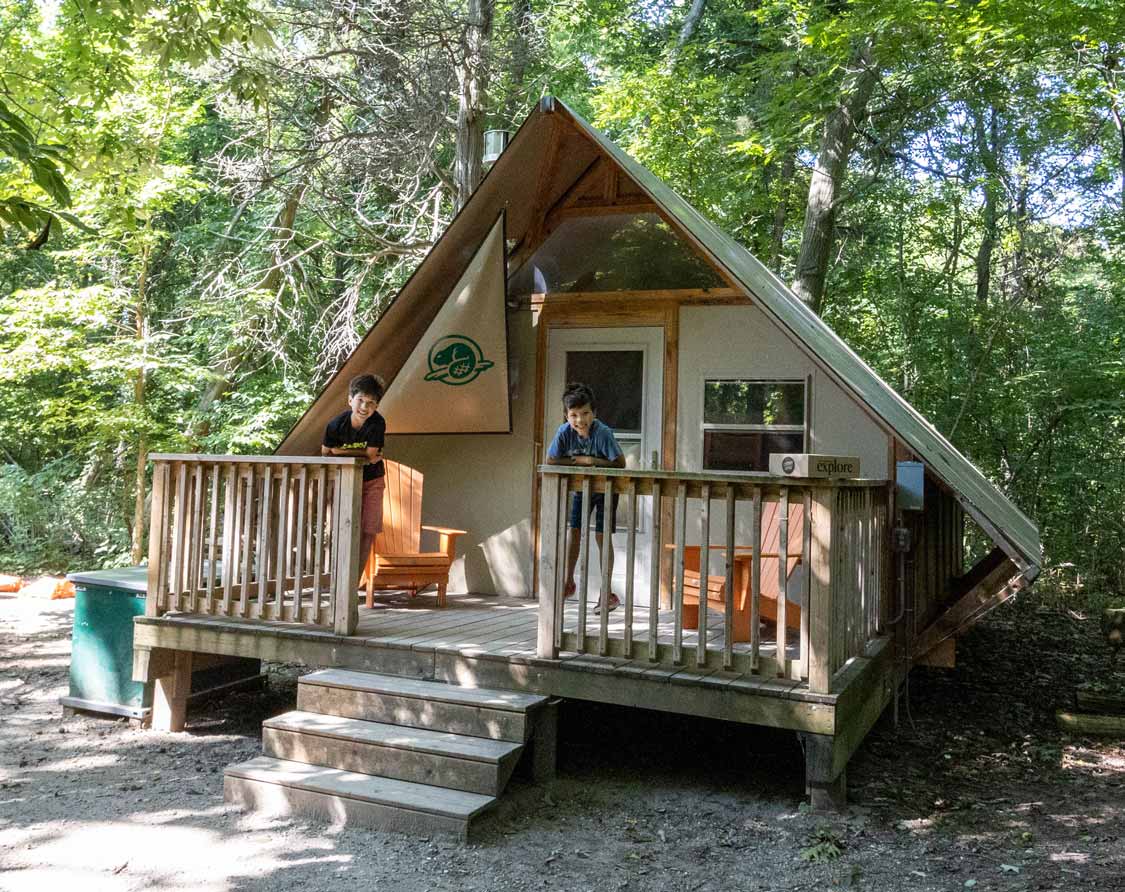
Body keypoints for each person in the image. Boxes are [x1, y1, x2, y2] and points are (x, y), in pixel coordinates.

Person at [546, 382, 626, 612]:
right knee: (575, 531)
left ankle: (606, 592)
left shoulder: (602, 432)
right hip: (583, 489)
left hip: (607, 490)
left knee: (601, 537)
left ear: (594, 413)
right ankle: (568, 581)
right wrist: (576, 462)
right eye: (574, 415)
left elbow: (620, 462)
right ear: (566, 415)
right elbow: (551, 460)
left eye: (585, 414)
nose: (580, 420)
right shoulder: (564, 432)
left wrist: (592, 461)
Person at [321, 374, 387, 583]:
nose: (364, 407)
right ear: (350, 399)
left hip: (372, 481)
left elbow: (371, 454)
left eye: (371, 403)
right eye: (360, 400)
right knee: (341, 528)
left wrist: (340, 451)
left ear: (376, 406)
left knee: (368, 530)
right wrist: (364, 455)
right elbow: (325, 453)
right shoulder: (335, 424)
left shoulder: (377, 423)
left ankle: (352, 583)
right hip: (344, 482)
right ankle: (335, 580)